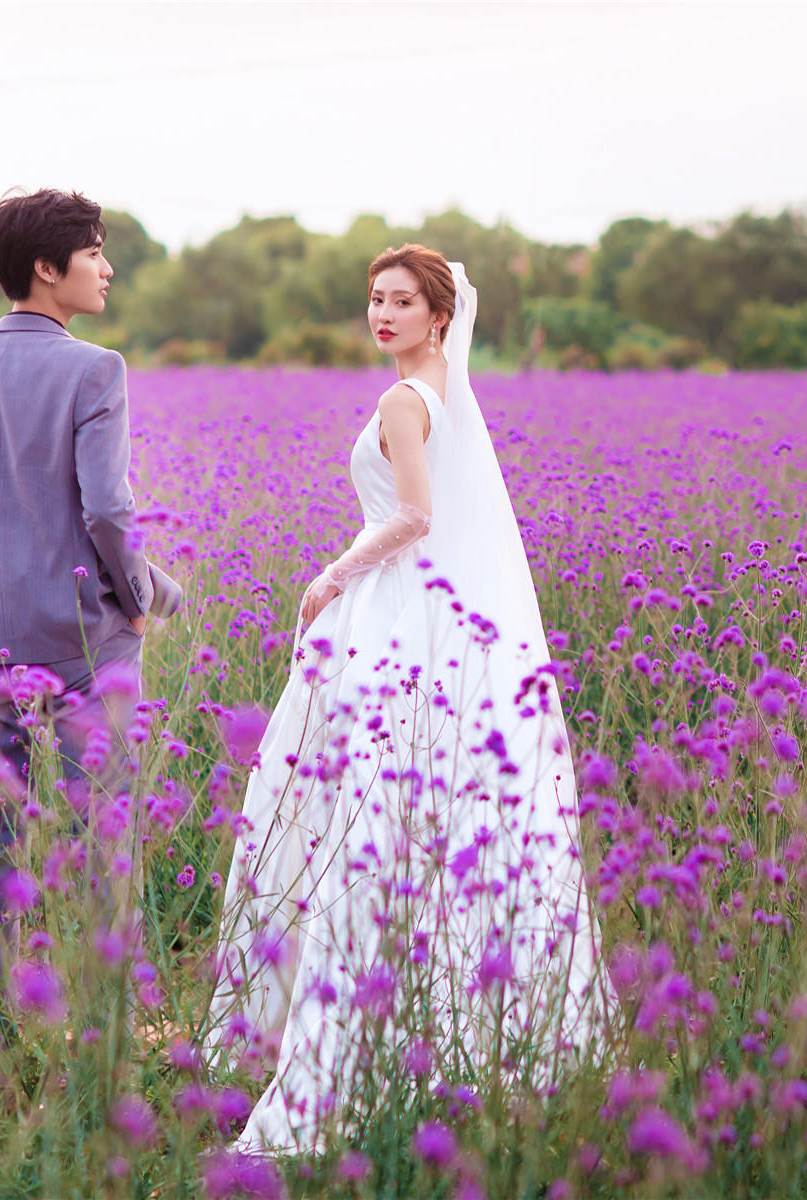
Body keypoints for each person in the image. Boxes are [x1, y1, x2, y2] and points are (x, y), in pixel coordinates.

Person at [207, 244, 602, 1154]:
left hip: (387, 610)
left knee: (357, 805)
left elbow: (416, 516)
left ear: (439, 318)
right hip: (419, 612)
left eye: (402, 302)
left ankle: (338, 1033)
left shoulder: (403, 401)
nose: (383, 315)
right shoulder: (445, 394)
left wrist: (332, 574)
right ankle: (458, 1026)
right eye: (376, 299)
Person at [0, 187, 183, 1041]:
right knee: (100, 836)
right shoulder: (96, 369)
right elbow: (107, 510)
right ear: (46, 268)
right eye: (94, 251)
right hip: (81, 644)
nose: (107, 267)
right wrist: (142, 600)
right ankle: (104, 1028)